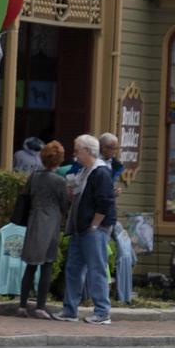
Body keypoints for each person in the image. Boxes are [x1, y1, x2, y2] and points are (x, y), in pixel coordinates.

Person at [56, 134, 116, 324]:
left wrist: (95, 224)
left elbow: (105, 202)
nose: (75, 155)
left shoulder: (100, 172)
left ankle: (102, 312)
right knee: (73, 268)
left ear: (87, 151)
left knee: (96, 268)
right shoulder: (85, 171)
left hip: (93, 229)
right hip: (80, 228)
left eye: (77, 150)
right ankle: (70, 309)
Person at [17, 141, 70, 319]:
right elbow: (64, 204)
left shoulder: (34, 176)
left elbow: (27, 195)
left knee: (30, 265)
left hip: (34, 220)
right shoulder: (59, 181)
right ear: (59, 160)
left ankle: (22, 305)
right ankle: (40, 306)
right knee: (47, 264)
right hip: (51, 222)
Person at [98, 132, 133, 304]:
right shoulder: (95, 164)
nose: (115, 151)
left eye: (116, 148)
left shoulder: (115, 166)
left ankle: (114, 296)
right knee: (97, 256)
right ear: (102, 147)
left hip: (108, 215)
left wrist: (113, 193)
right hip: (96, 217)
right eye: (112, 148)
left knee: (116, 251)